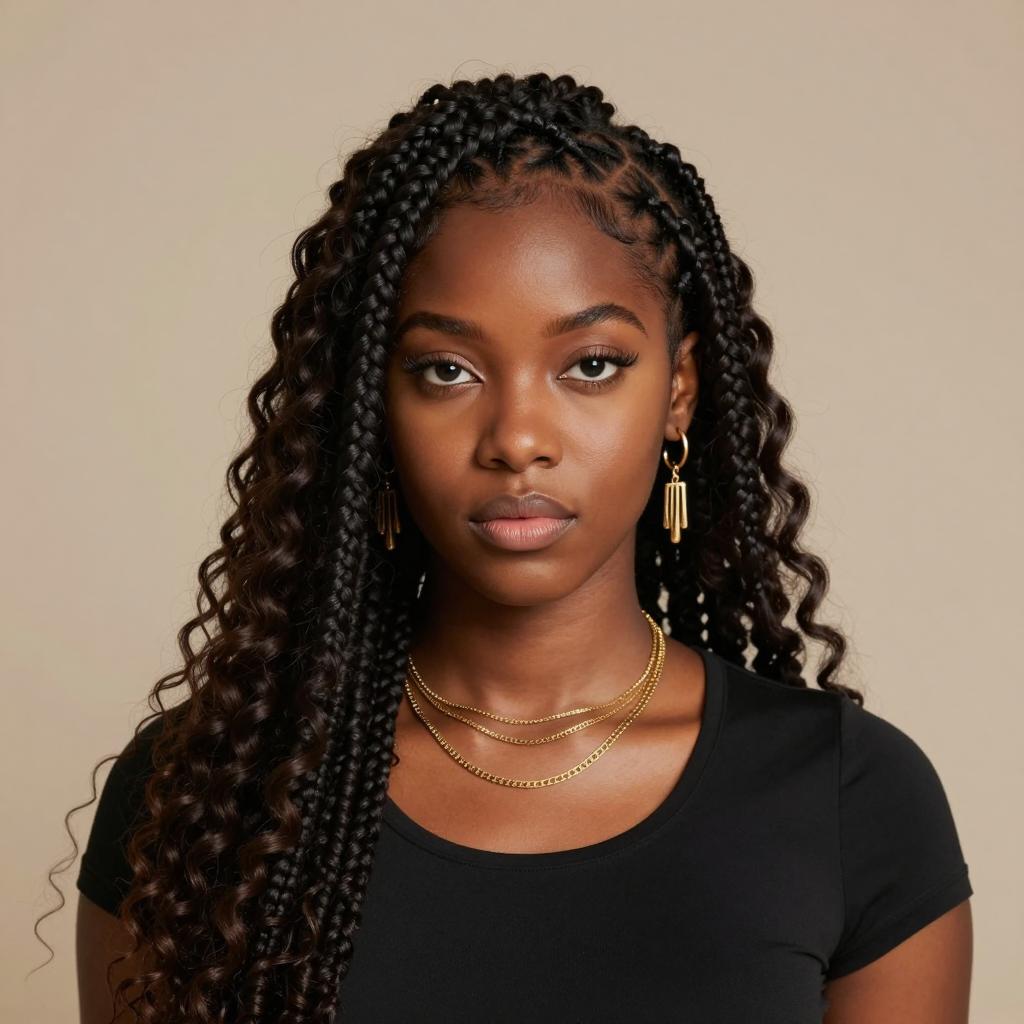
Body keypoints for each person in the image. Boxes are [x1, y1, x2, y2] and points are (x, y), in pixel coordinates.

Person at [67, 72, 973, 1022]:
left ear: (679, 390)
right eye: (446, 370)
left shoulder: (848, 804)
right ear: (375, 401)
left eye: (591, 365)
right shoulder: (211, 800)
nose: (517, 437)